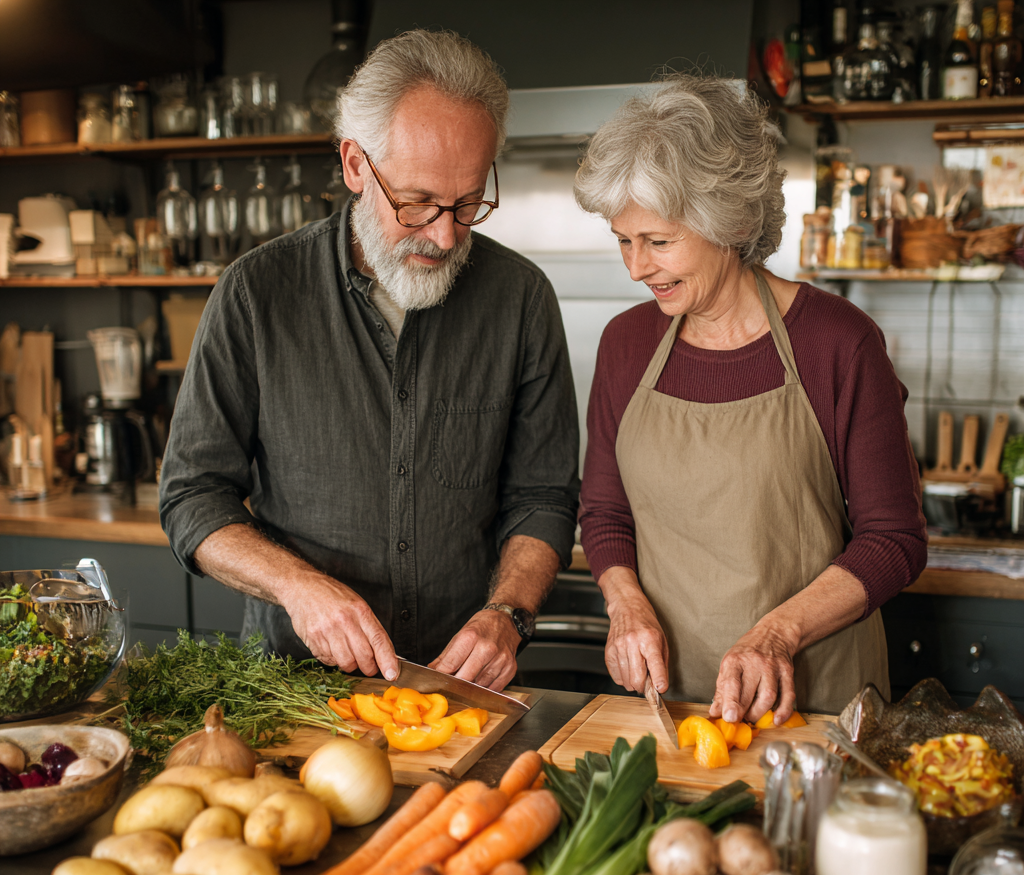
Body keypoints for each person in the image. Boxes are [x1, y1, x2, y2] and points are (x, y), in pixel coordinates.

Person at [159, 30, 580, 690]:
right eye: (416, 203)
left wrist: (507, 612)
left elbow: (543, 497)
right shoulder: (256, 293)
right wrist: (298, 586)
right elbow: (192, 496)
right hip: (293, 691)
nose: (444, 235)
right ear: (356, 165)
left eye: (467, 205)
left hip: (459, 689)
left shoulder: (521, 299)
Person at [573, 75, 926, 721]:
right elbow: (604, 513)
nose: (636, 267)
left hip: (816, 697)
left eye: (658, 241)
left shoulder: (838, 342)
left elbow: (894, 539)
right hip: (674, 700)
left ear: (727, 222)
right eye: (623, 240)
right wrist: (625, 606)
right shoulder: (625, 344)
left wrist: (776, 635)